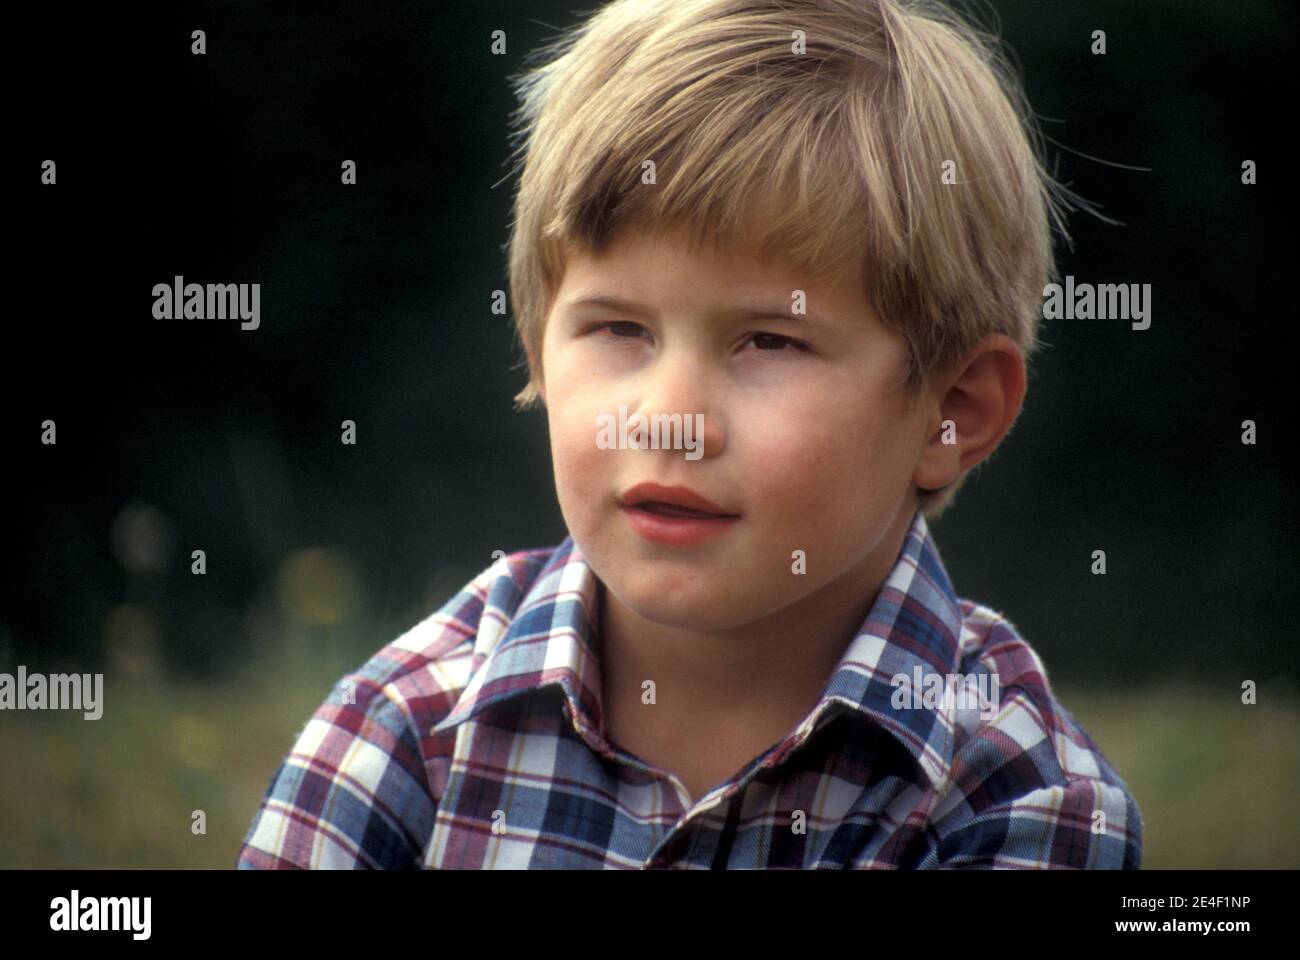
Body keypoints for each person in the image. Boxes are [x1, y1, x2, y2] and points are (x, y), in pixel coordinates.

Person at [238, 0, 1142, 869]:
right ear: (540, 352)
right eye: (619, 330)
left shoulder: (1018, 802)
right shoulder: (408, 725)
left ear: (955, 409)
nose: (669, 417)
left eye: (770, 341)